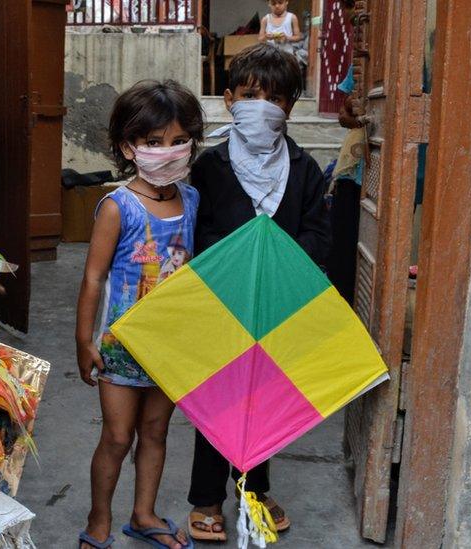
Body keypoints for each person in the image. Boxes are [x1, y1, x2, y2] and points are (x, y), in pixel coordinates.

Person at [186, 43, 331, 542]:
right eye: (250, 95)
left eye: (275, 97)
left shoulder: (305, 169)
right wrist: (229, 262)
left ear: (290, 106)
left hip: (278, 305)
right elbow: (195, 231)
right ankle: (206, 498)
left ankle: (253, 491)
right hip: (219, 304)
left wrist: (282, 259)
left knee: (264, 400)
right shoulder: (210, 167)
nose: (262, 105)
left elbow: (317, 233)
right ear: (229, 100)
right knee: (217, 400)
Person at [75, 79, 203, 549]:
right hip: (120, 348)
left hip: (171, 347)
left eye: (177, 141)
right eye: (153, 143)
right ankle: (98, 521)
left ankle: (143, 513)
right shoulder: (117, 206)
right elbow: (93, 278)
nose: (166, 152)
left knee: (156, 432)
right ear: (129, 147)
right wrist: (84, 340)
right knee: (116, 437)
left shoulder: (190, 201)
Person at [327, 0, 365, 305]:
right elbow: (344, 113)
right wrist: (355, 113)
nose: (355, 12)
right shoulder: (364, 61)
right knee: (344, 246)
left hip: (382, 168)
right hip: (355, 169)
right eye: (350, 5)